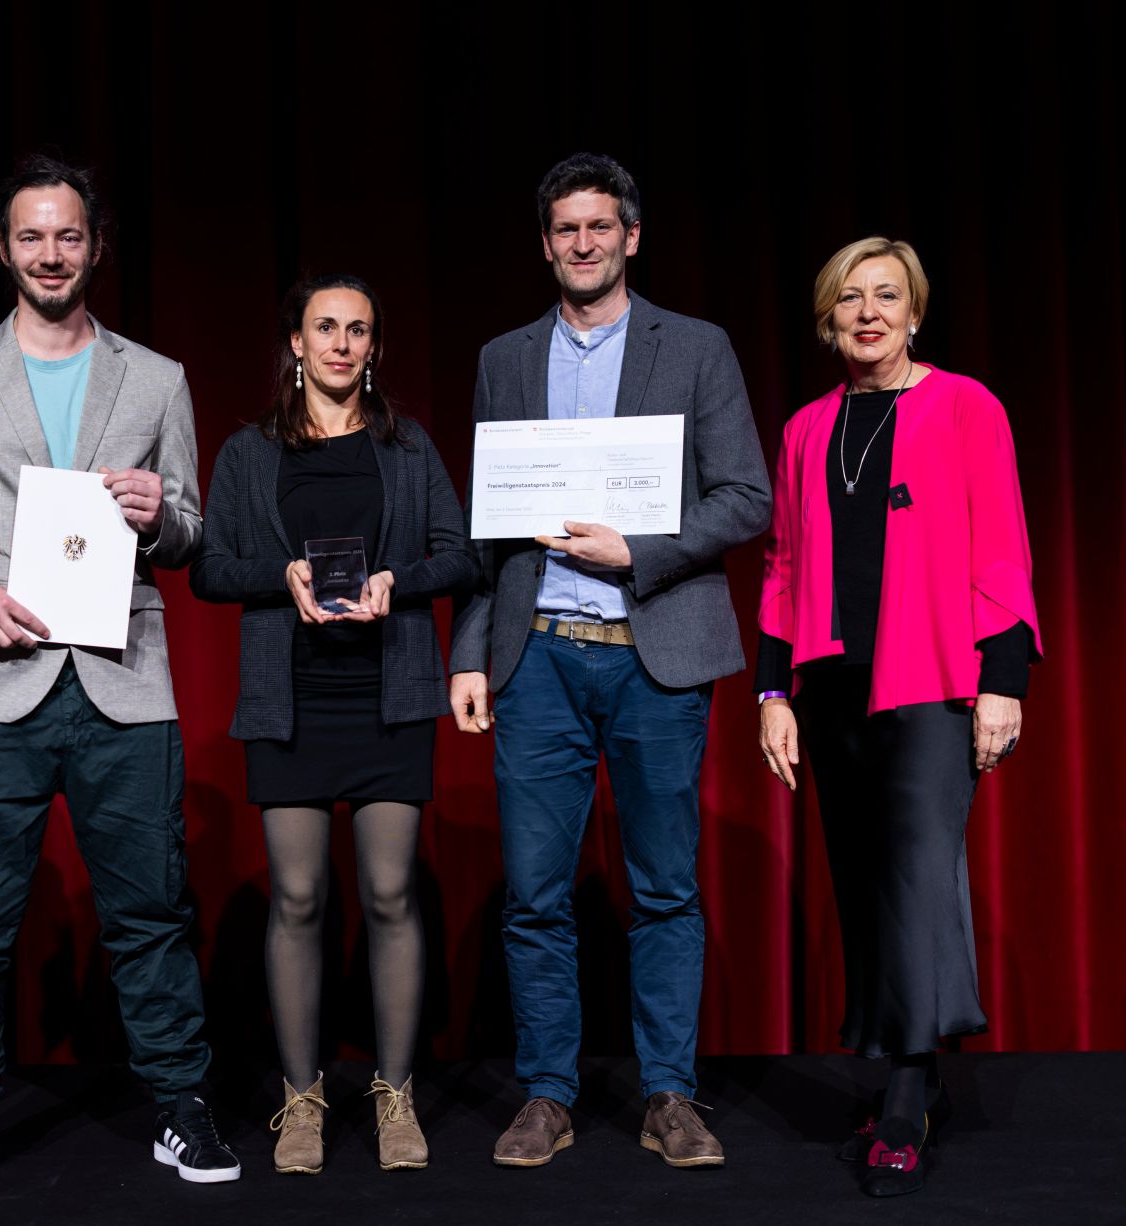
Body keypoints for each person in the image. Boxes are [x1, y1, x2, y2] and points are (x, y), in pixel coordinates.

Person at [0, 154, 238, 1197]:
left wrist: (160, 516)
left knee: (152, 912)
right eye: (32, 236)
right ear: (3, 249)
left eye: (68, 235)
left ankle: (180, 1104)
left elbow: (191, 533)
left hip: (123, 681)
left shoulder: (157, 377)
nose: (51, 253)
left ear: (95, 247)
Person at [448, 153, 771, 1170]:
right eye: (564, 228)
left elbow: (746, 496)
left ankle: (668, 1092)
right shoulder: (504, 358)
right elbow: (488, 521)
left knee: (663, 887)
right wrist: (468, 650)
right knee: (534, 894)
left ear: (631, 235)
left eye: (600, 226)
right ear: (544, 244)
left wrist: (641, 549)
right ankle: (547, 1093)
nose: (582, 242)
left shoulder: (697, 347)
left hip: (652, 652)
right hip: (536, 654)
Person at [755, 237, 1040, 1197]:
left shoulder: (965, 405)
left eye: (887, 296)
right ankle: (908, 1075)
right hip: (833, 687)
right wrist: (771, 694)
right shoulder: (806, 429)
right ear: (829, 319)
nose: (868, 312)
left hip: (934, 680)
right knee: (866, 883)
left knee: (917, 875)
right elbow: (782, 566)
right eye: (851, 298)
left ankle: (909, 1099)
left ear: (914, 313)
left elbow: (1002, 547)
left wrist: (1003, 680)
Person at [190, 275, 478, 1175]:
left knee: (390, 895)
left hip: (390, 693)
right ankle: (302, 1101)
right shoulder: (248, 453)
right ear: (296, 342)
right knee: (300, 898)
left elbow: (461, 555)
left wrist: (398, 580)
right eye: (326, 327)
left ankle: (396, 1096)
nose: (342, 344)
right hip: (291, 700)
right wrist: (282, 577)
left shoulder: (407, 446)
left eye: (358, 330)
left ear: (374, 347)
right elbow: (209, 569)